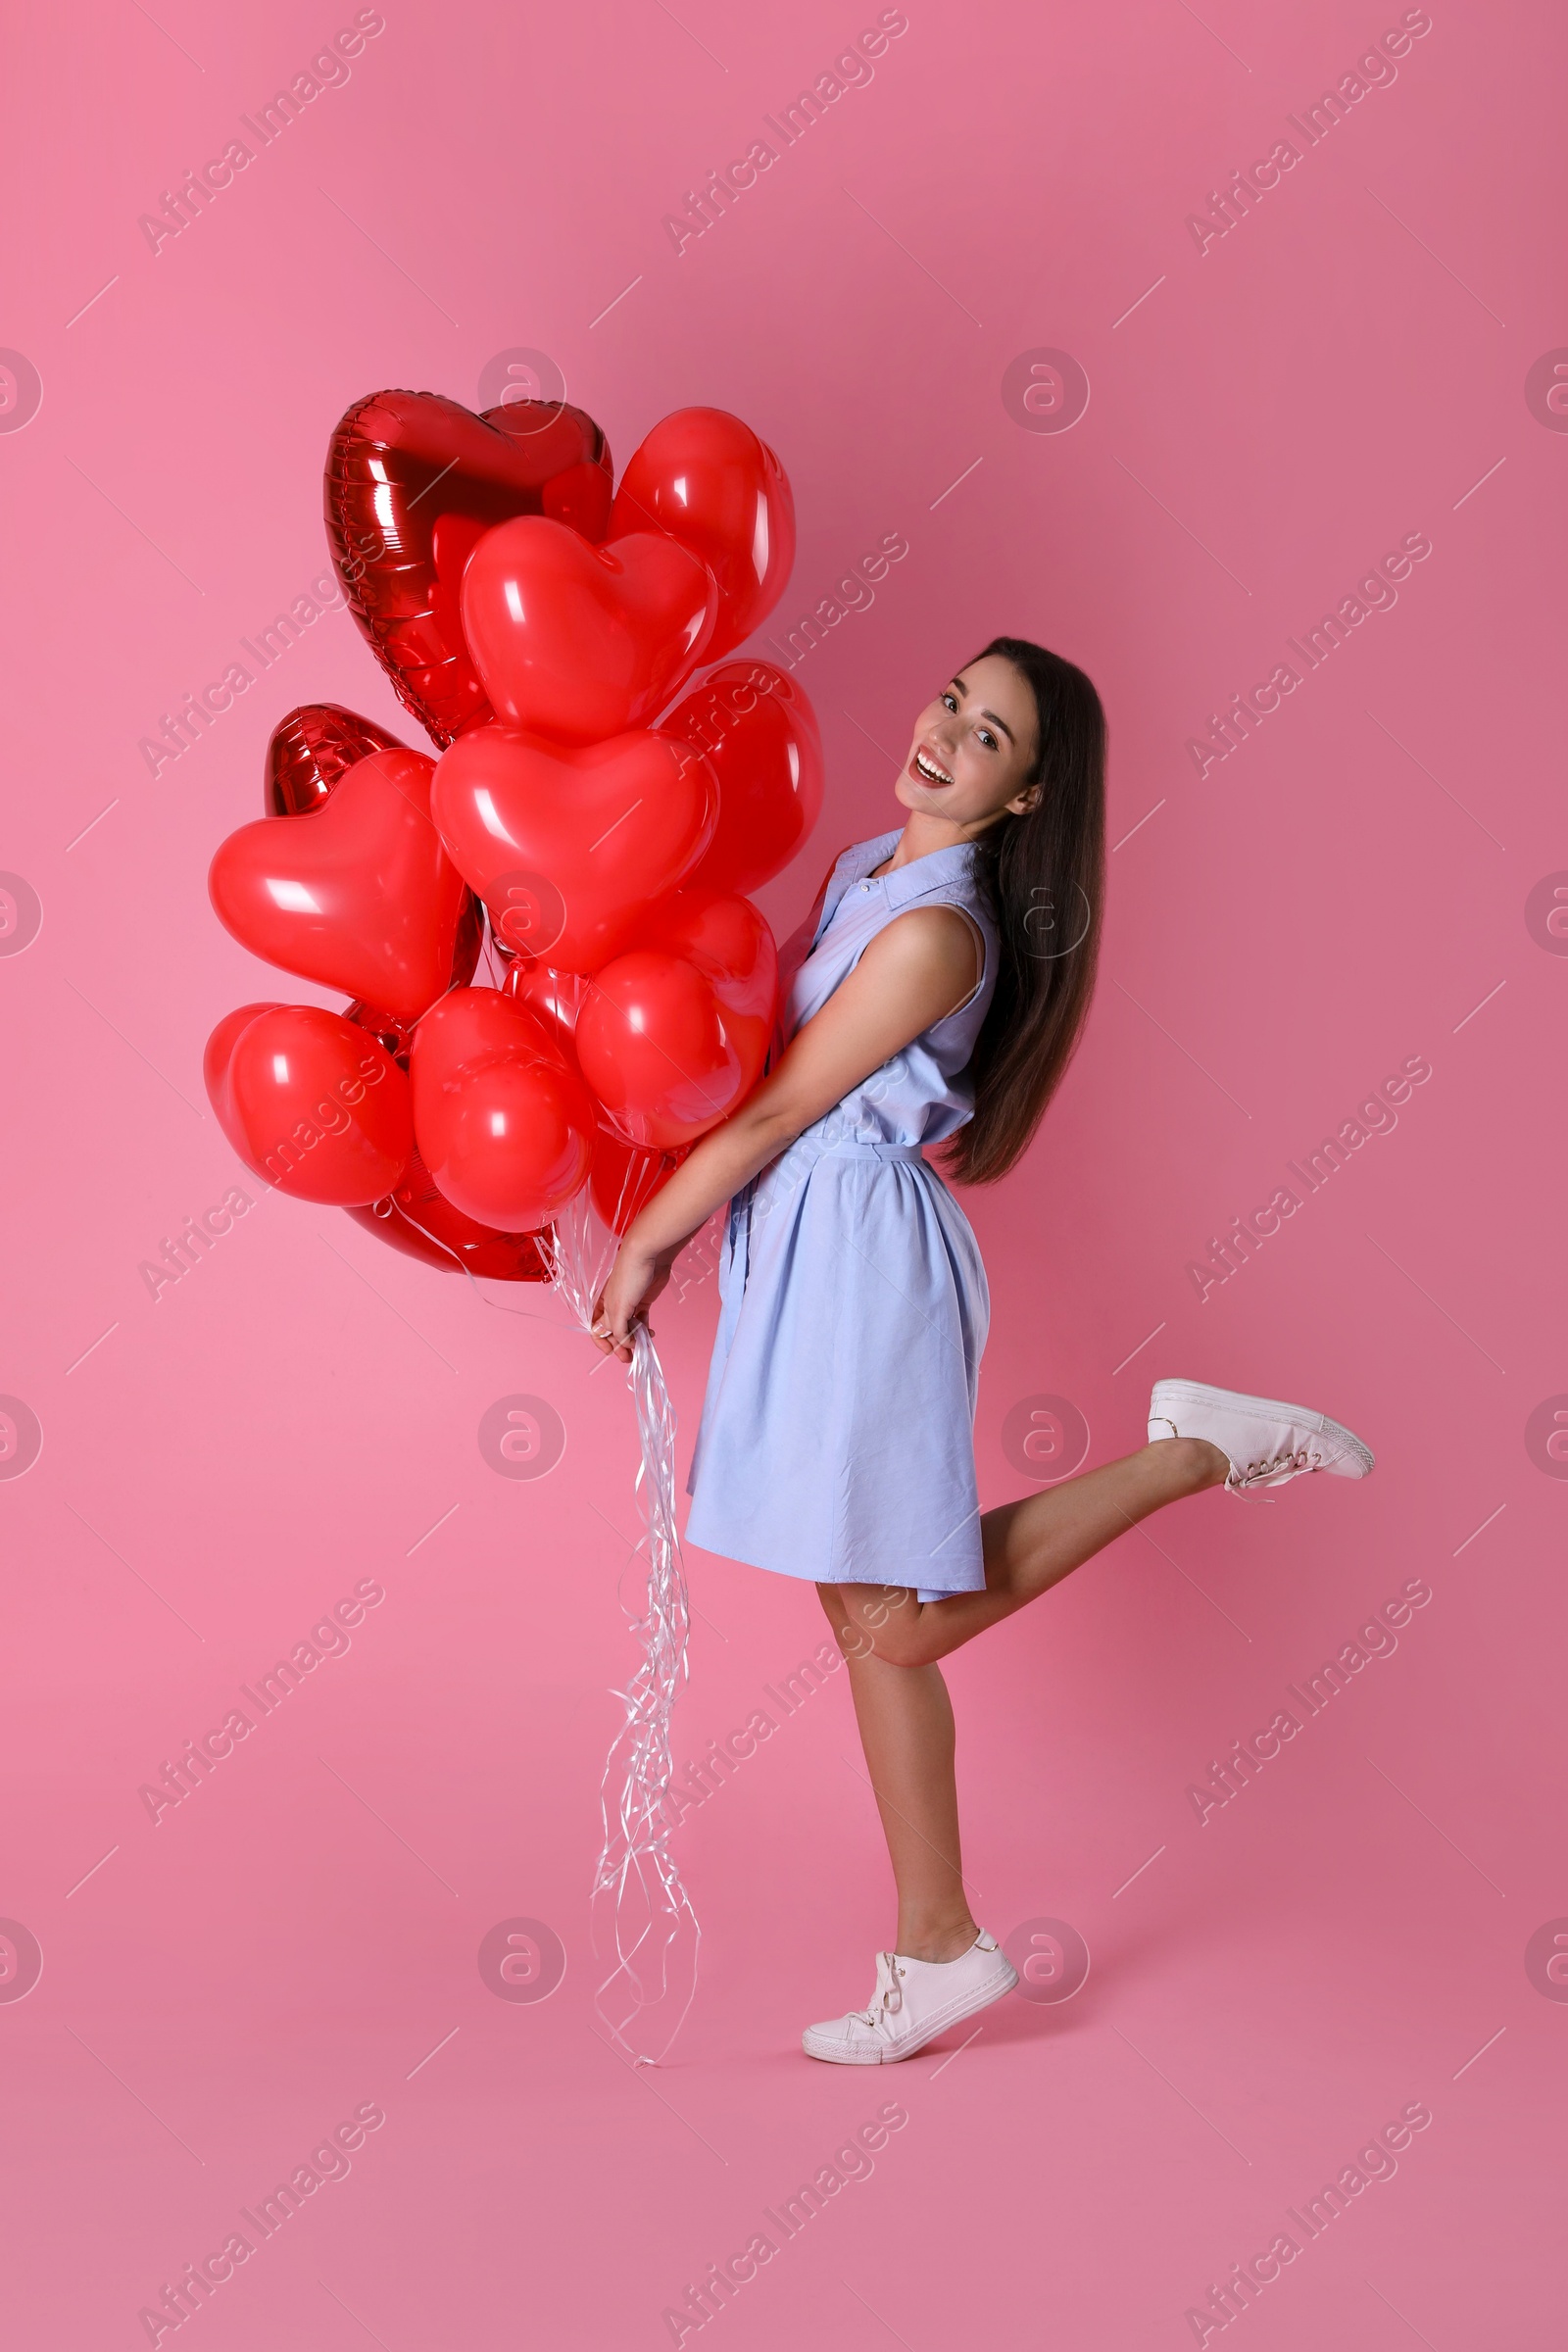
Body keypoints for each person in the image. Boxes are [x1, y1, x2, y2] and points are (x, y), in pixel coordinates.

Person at [590, 636, 1373, 2065]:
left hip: (865, 1273)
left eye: (993, 737)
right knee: (869, 1629)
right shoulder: (857, 878)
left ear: (1025, 799)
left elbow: (772, 1112)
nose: (950, 731)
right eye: (953, 696)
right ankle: (935, 1942)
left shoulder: (937, 933)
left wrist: (650, 1242)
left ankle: (1198, 1452)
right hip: (810, 1259)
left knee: (890, 1620)